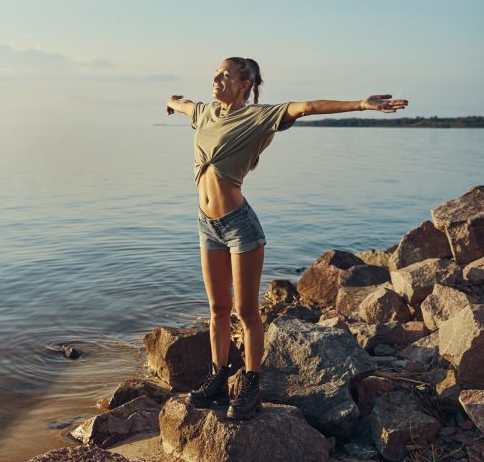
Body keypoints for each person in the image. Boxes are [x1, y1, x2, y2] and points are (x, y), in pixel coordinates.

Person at [166, 57, 408, 420]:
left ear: (244, 84)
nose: (216, 79)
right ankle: (217, 377)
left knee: (246, 311)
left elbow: (308, 107)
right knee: (216, 309)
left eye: (225, 75)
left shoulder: (259, 117)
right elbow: (180, 102)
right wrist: (171, 102)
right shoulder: (204, 113)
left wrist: (361, 104)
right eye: (215, 73)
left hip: (239, 227)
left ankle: (250, 386)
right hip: (207, 226)